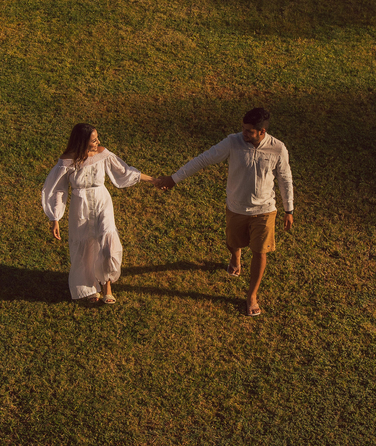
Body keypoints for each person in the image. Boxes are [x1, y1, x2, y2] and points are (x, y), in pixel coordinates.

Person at [155, 107, 294, 317]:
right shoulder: (233, 142)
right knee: (233, 242)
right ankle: (235, 258)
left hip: (265, 210)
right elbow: (203, 159)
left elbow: (285, 179)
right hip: (236, 207)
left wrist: (288, 209)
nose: (243, 134)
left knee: (260, 251)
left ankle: (251, 296)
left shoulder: (278, 149)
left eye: (249, 131)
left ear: (262, 132)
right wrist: (174, 179)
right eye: (243, 129)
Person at [42, 123, 155, 304]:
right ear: (82, 142)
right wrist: (55, 218)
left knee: (108, 245)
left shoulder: (102, 155)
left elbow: (124, 172)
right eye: (94, 140)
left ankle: (107, 287)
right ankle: (89, 288)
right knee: (85, 246)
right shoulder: (67, 161)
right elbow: (58, 190)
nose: (98, 142)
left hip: (102, 201)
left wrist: (153, 180)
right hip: (81, 206)